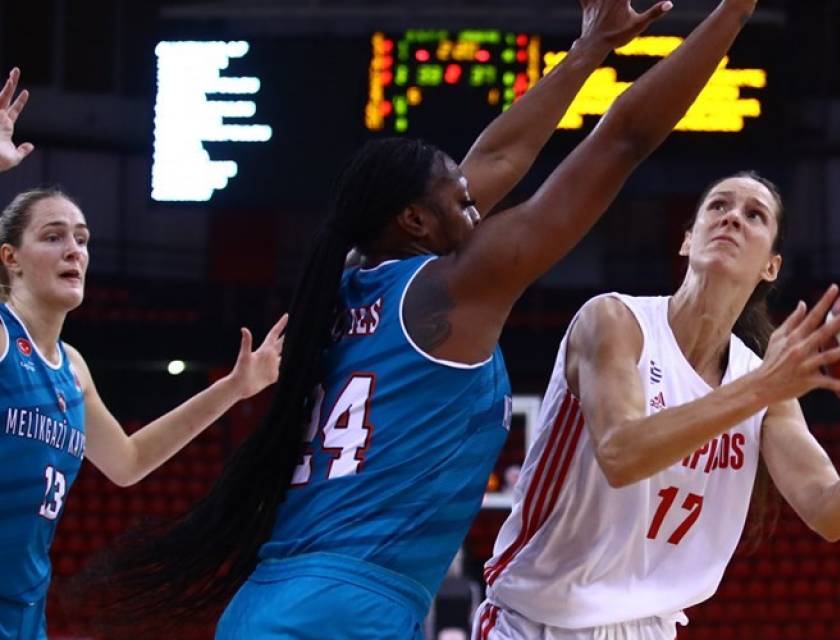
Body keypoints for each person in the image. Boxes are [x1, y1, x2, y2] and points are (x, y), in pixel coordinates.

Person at [91, 1, 763, 638]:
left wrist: (588, 51)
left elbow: (498, 159)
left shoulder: (351, 281)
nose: (478, 210)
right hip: (348, 613)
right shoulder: (450, 292)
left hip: (267, 602)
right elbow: (623, 140)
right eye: (461, 201)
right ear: (414, 220)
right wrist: (733, 12)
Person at [472, 170, 840, 639]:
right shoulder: (614, 322)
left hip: (646, 628)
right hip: (532, 622)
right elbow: (621, 454)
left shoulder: (759, 378)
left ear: (771, 266)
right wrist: (763, 386)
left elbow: (831, 511)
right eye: (719, 206)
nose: (733, 217)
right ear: (687, 239)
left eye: (754, 215)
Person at [0, 69, 287, 640]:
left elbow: (129, 463)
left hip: (23, 615)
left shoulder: (71, 368)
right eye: (53, 236)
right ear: (10, 258)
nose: (74, 250)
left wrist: (233, 388)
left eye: (82, 238)